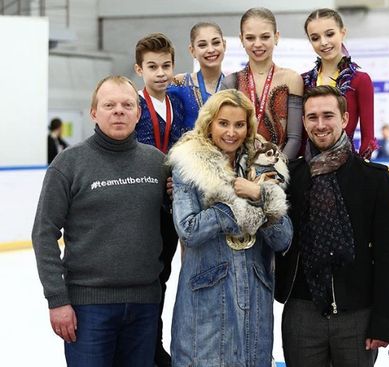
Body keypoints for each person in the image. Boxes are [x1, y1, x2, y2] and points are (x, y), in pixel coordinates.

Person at [32, 76, 167, 367]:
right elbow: (44, 234)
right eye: (109, 105)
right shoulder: (68, 164)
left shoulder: (158, 163)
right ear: (94, 112)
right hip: (88, 307)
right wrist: (57, 300)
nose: (119, 110)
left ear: (138, 112)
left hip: (145, 305)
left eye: (127, 104)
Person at [275, 86, 389, 367]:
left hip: (357, 314)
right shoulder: (290, 177)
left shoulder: (374, 180)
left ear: (344, 119)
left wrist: (383, 321)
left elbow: (387, 257)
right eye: (312, 117)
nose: (320, 125)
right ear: (304, 122)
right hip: (301, 311)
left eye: (328, 116)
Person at [167, 89, 293, 366]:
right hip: (206, 295)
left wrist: (261, 196)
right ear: (209, 123)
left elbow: (283, 238)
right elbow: (188, 229)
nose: (231, 132)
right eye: (223, 123)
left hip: (254, 294)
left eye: (239, 124)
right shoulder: (189, 165)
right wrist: (235, 207)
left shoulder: (265, 165)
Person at [133, 32, 188, 366]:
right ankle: (145, 347)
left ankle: (155, 344)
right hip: (138, 205)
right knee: (143, 278)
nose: (161, 73)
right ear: (139, 69)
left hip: (169, 205)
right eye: (152, 66)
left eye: (166, 66)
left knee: (162, 277)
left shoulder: (178, 102)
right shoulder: (132, 102)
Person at [221, 7, 304, 160]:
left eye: (265, 37)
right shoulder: (231, 83)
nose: (257, 44)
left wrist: (276, 170)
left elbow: (294, 138)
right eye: (250, 38)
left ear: (276, 37)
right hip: (239, 169)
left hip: (280, 171)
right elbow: (224, 134)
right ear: (241, 40)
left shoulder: (292, 79)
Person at [302, 8, 377, 159]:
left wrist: (361, 168)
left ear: (343, 32)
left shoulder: (360, 80)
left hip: (347, 165)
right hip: (310, 166)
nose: (324, 42)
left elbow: (368, 137)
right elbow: (301, 135)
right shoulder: (303, 81)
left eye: (330, 34)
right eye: (315, 38)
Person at [169, 22, 226, 128]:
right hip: (188, 144)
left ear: (224, 45)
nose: (211, 50)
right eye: (202, 45)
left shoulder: (233, 84)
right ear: (192, 51)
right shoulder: (180, 82)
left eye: (216, 43)